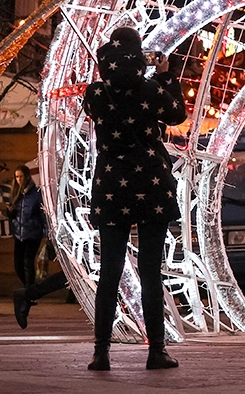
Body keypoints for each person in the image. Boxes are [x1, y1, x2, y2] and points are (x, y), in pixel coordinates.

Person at [83, 27, 186, 371]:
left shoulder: (95, 93)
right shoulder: (151, 89)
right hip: (151, 183)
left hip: (112, 186)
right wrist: (166, 74)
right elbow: (177, 115)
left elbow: (95, 107)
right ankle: (156, 350)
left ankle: (101, 352)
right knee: (150, 271)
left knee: (109, 271)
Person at [8, 166, 45, 289]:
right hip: (19, 233)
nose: (19, 179)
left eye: (21, 176)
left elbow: (42, 213)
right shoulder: (16, 193)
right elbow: (14, 214)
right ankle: (30, 288)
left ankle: (30, 291)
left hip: (33, 233)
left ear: (27, 177)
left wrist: (43, 229)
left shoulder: (36, 194)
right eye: (17, 177)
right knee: (18, 264)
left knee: (28, 262)